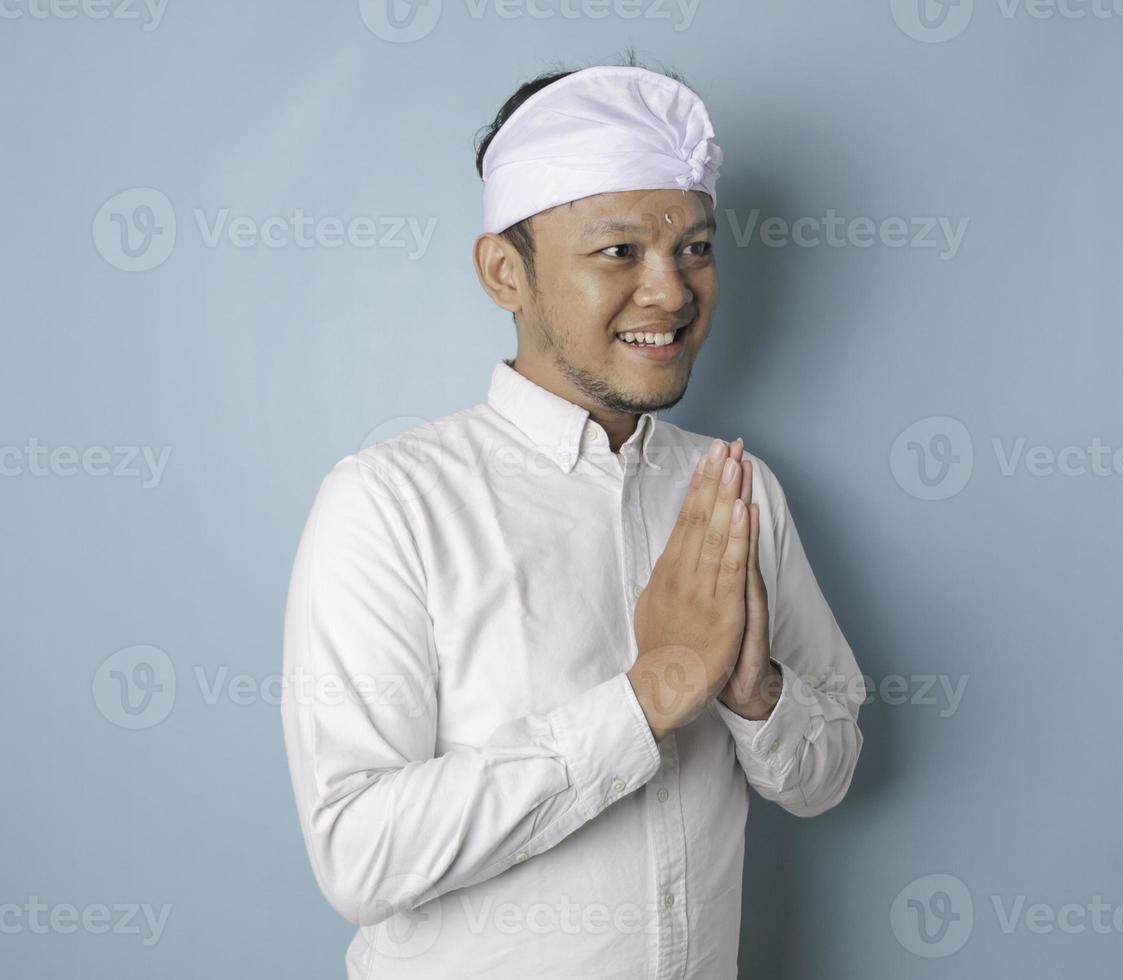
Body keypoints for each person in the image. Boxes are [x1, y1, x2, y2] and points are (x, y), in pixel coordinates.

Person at [280, 57, 864, 979]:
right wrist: (648, 698)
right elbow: (359, 855)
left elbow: (827, 775)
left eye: (696, 248)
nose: (670, 292)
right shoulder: (389, 505)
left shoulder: (736, 492)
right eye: (618, 251)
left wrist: (755, 694)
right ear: (505, 272)